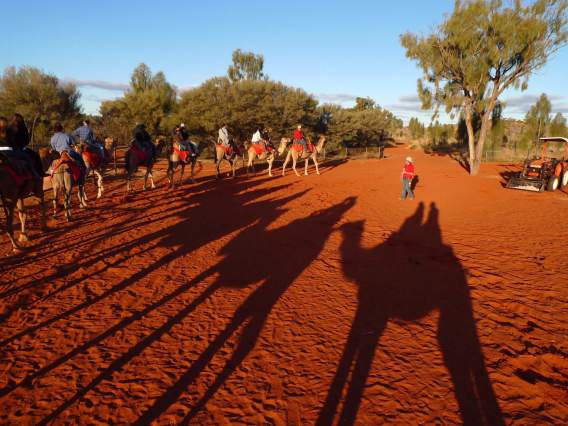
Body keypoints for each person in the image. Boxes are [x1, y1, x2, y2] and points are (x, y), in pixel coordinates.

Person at [4, 113, 43, 179]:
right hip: (17, 150)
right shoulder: (21, 127)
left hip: (3, 152)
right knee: (32, 156)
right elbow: (26, 141)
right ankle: (36, 173)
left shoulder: (6, 127)